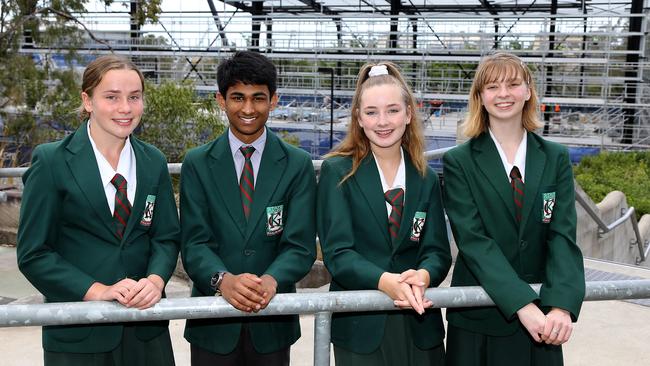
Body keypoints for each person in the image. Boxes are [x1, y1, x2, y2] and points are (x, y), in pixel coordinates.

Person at [17, 54, 180, 366]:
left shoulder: (153, 162)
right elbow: (34, 253)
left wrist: (156, 281)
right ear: (87, 101)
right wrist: (97, 290)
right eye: (111, 97)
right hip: (78, 334)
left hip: (145, 332)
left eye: (134, 97)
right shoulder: (52, 162)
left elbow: (167, 237)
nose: (125, 108)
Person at [443, 52, 585, 366]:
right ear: (480, 97)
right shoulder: (459, 162)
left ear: (528, 91)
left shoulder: (555, 157)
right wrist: (523, 304)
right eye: (492, 87)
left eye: (512, 84)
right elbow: (474, 241)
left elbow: (562, 236)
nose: (503, 94)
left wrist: (561, 304)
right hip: (480, 320)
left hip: (543, 324)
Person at [180, 51, 316, 366]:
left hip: (272, 324)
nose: (248, 108)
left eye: (258, 98)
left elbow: (300, 244)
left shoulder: (297, 165)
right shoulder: (197, 164)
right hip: (212, 326)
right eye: (238, 97)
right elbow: (194, 242)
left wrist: (271, 280)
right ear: (220, 100)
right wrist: (222, 280)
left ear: (274, 100)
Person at [317, 62, 451, 366]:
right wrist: (384, 281)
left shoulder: (425, 178)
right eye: (372, 112)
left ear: (408, 113)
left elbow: (438, 251)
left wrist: (425, 274)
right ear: (358, 118)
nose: (383, 121)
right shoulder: (338, 172)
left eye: (392, 110)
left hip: (421, 326)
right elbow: (338, 253)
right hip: (362, 328)